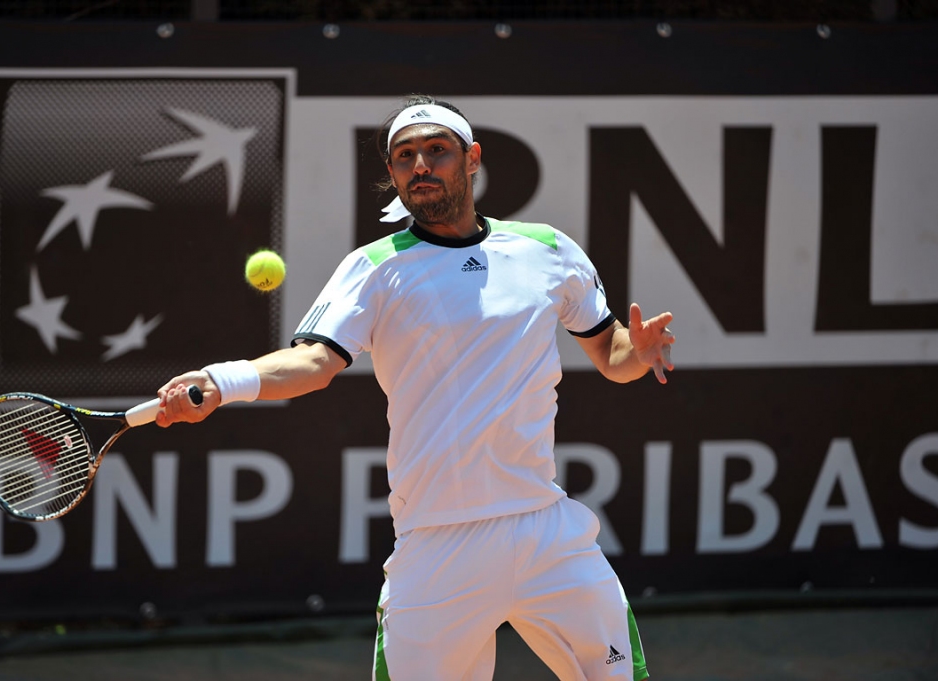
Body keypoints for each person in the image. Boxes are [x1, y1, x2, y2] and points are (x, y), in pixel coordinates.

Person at [156, 94, 674, 681]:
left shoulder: (548, 250)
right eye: (405, 156)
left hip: (547, 530)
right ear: (392, 172)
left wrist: (639, 352)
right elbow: (314, 362)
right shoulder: (374, 267)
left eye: (437, 150)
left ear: (472, 158)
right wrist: (221, 381)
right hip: (436, 546)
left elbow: (612, 356)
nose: (420, 165)